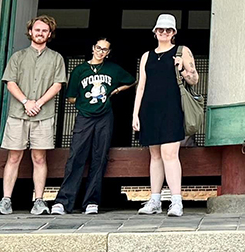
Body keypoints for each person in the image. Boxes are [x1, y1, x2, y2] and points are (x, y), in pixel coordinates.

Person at [51, 38, 135, 215]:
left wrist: (117, 90)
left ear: (108, 52)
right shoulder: (79, 70)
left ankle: (91, 201)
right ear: (93, 48)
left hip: (105, 117)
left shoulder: (112, 69)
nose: (101, 52)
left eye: (105, 49)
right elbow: (71, 97)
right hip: (84, 117)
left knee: (100, 157)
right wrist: (87, 103)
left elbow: (132, 80)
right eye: (98, 48)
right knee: (76, 156)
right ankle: (64, 201)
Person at [0, 16, 66, 215]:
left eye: (44, 30)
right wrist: (26, 102)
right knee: (13, 157)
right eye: (37, 30)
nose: (40, 33)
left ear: (49, 34)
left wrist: (38, 104)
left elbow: (58, 84)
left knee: (39, 158)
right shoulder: (18, 57)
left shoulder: (56, 58)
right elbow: (10, 82)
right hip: (18, 114)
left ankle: (39, 200)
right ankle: (6, 200)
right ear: (30, 32)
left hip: (43, 115)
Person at [132, 14, 199, 217]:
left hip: (172, 108)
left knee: (170, 154)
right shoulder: (147, 56)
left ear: (174, 33)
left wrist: (183, 68)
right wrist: (135, 114)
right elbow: (141, 86)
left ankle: (176, 200)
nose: (164, 33)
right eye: (160, 30)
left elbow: (194, 79)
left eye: (168, 30)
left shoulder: (182, 51)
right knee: (154, 155)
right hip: (149, 109)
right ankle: (154, 199)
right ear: (155, 32)